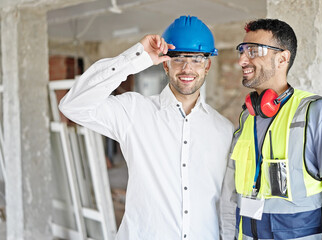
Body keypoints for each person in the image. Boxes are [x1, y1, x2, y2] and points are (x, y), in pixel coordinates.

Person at [59, 15, 233, 240]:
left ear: (207, 65)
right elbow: (73, 105)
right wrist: (136, 57)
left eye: (196, 59)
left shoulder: (225, 130)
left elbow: (226, 204)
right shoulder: (134, 111)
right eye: (178, 58)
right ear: (165, 64)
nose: (187, 68)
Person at [219, 18, 322, 240]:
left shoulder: (320, 112)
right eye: (242, 51)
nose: (242, 60)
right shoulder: (248, 117)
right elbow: (231, 195)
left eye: (253, 51)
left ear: (283, 58)